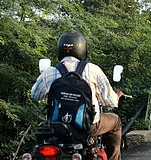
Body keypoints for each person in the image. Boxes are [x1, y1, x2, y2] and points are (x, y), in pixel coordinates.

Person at [31, 32, 123, 160]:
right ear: (82, 49)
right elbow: (110, 101)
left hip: (56, 126)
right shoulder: (92, 69)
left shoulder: (50, 72)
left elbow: (35, 95)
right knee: (116, 122)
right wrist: (116, 97)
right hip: (87, 126)